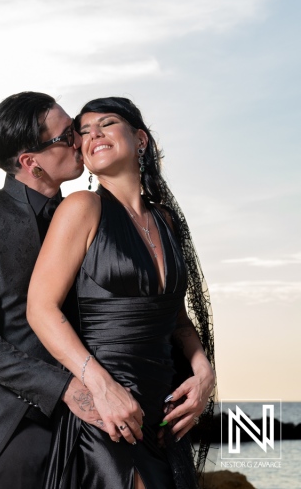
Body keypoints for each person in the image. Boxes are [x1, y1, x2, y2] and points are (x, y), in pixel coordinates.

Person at [26, 97, 216, 489]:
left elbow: (176, 319)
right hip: (107, 416)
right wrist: (102, 388)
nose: (92, 133)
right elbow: (41, 309)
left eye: (107, 123)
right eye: (84, 131)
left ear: (140, 139)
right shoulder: (83, 207)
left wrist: (202, 370)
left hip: (163, 417)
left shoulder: (164, 220)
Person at [0, 91, 102, 488]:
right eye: (66, 135)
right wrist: (64, 387)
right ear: (31, 163)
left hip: (94, 425)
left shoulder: (92, 215)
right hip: (8, 428)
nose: (79, 140)